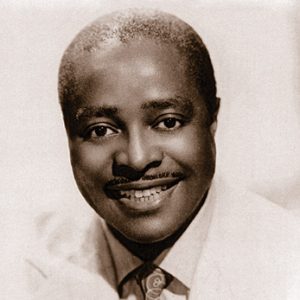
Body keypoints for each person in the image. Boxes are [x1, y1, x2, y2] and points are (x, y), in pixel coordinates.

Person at [25, 9, 300, 300]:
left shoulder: (288, 257)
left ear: (212, 119)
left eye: (168, 122)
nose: (137, 158)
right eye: (101, 130)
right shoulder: (24, 277)